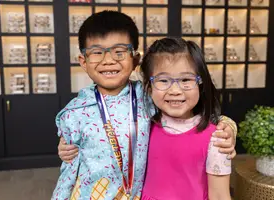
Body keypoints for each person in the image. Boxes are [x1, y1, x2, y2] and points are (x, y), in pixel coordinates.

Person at [52, 11, 237, 200]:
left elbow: (192, 113)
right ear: (83, 61)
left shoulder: (147, 96)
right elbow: (69, 167)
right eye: (97, 52)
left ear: (135, 59)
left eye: (119, 52)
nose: (108, 60)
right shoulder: (75, 112)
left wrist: (228, 127)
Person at [140, 37, 231, 200]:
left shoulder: (216, 139)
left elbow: (219, 195)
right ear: (148, 87)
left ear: (200, 83)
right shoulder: (143, 126)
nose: (175, 90)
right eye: (163, 80)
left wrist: (229, 125)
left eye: (186, 80)